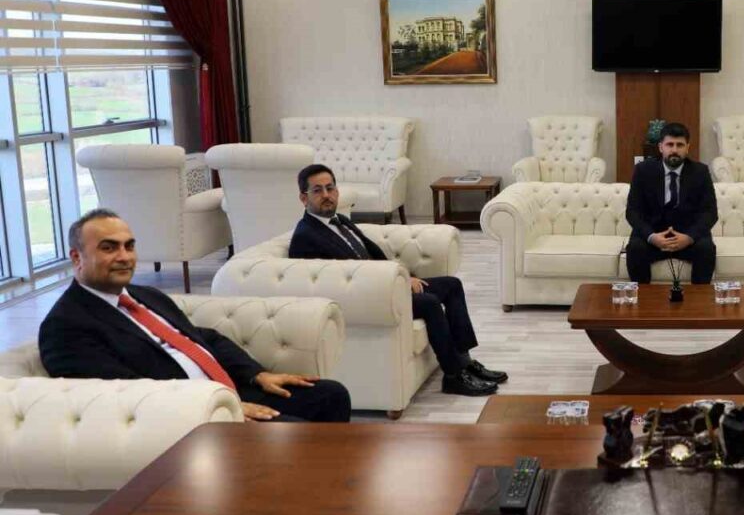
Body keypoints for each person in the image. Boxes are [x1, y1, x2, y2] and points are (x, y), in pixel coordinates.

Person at [39, 209, 351, 422]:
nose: (124, 257)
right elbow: (126, 394)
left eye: (129, 246)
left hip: (229, 390)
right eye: (109, 248)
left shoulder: (145, 296)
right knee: (295, 431)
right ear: (77, 257)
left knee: (331, 395)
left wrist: (258, 374)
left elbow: (203, 338)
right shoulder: (66, 326)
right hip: (189, 415)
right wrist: (221, 409)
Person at [289, 164, 507, 397]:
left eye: (330, 188)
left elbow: (373, 254)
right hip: (367, 299)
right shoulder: (305, 236)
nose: (326, 195)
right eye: (317, 190)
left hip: (386, 284)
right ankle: (453, 376)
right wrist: (394, 284)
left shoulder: (340, 220)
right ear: (304, 198)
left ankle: (465, 362)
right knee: (430, 303)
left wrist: (403, 277)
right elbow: (327, 285)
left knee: (452, 286)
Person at [625, 121, 718, 284]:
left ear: (687, 148)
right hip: (654, 235)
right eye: (670, 144)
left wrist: (689, 237)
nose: (674, 150)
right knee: (635, 248)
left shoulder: (700, 172)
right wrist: (652, 237)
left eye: (679, 145)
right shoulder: (643, 171)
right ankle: (643, 299)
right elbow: (632, 212)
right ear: (661, 147)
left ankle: (699, 299)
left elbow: (710, 213)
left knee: (706, 248)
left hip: (687, 235)